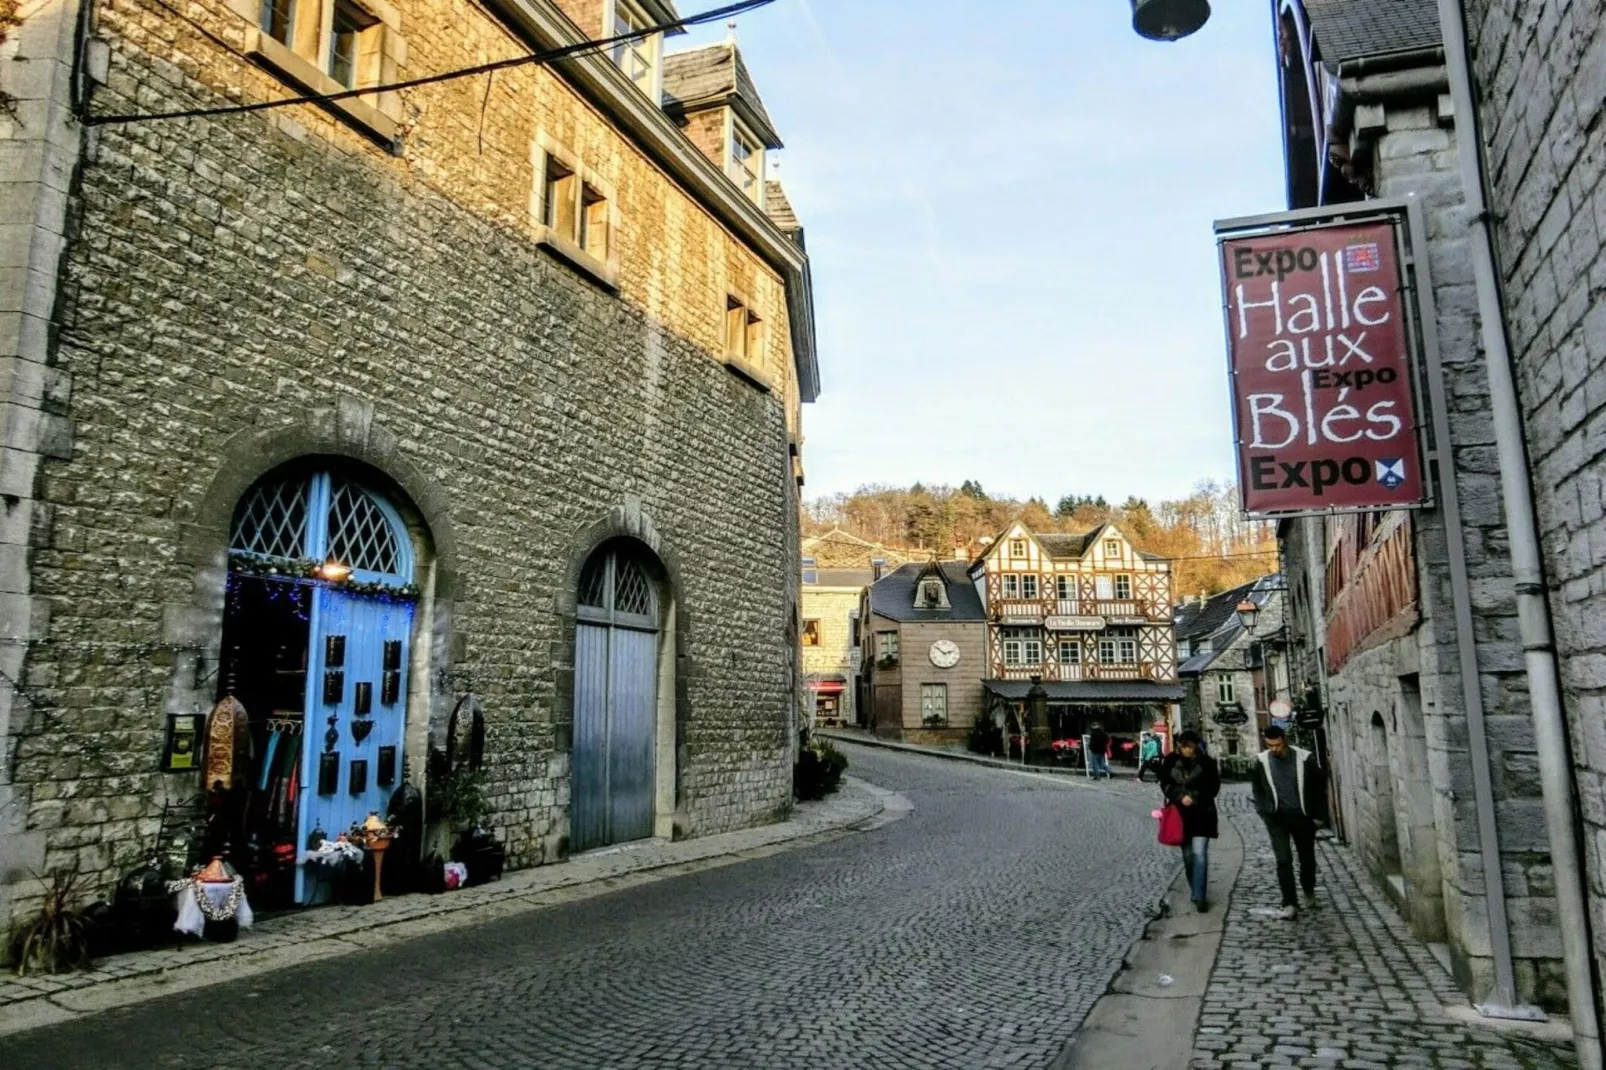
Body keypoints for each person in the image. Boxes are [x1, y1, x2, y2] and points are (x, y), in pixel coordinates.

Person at [1252, 724, 1329, 919]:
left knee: (1306, 858)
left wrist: (1319, 816)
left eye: (1277, 745)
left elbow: (1320, 786)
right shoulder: (1262, 762)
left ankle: (1308, 890)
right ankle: (1289, 903)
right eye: (1270, 745)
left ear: (1284, 740)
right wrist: (1263, 812)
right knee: (1283, 860)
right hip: (1277, 818)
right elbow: (1258, 788)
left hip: (1302, 817)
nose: (1275, 749)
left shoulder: (1305, 758)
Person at [1158, 730, 1220, 912]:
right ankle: (1195, 887)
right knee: (1188, 857)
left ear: (1196, 746)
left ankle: (1200, 897)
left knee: (1200, 854)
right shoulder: (1169, 761)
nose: (1187, 750)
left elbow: (1213, 787)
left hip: (1202, 814)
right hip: (1181, 816)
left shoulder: (1207, 763)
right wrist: (1180, 796)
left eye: (1190, 747)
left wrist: (1195, 797)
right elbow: (1165, 784)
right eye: (1183, 746)